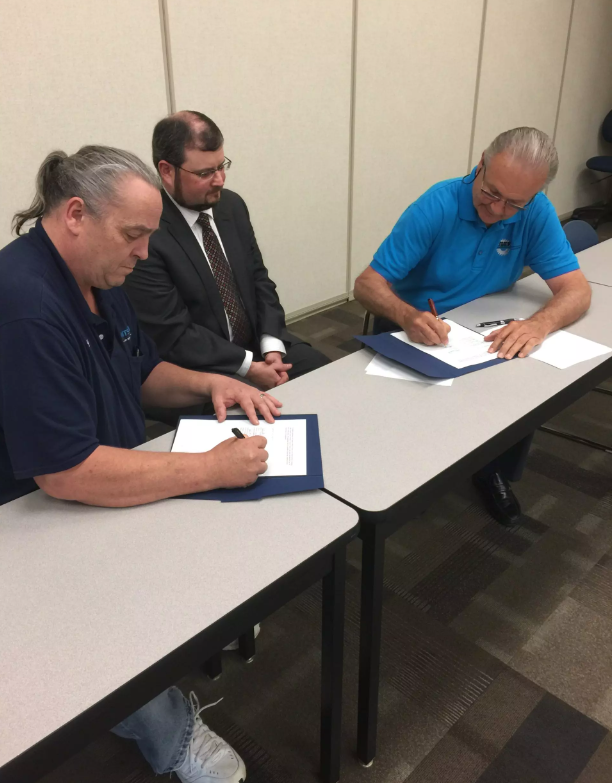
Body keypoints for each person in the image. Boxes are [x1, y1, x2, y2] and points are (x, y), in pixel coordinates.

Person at [1, 146, 280, 781]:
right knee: (99, 625)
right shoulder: (24, 304)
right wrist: (210, 468)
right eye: (134, 235)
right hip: (32, 513)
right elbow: (64, 472)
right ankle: (169, 735)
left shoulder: (97, 275)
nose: (145, 253)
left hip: (105, 468)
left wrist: (210, 384)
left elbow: (140, 369)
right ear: (75, 214)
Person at [354, 127, 592, 528]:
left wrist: (540, 324)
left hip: (484, 325)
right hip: (420, 328)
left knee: (524, 380)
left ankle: (491, 471)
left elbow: (576, 290)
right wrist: (407, 315)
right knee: (399, 438)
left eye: (513, 203)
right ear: (480, 165)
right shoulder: (438, 205)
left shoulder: (534, 210)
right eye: (492, 193)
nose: (498, 210)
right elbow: (367, 285)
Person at [123, 110, 329, 424]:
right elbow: (174, 335)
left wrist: (271, 345)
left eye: (222, 166)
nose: (219, 179)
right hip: (195, 369)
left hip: (256, 347)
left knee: (327, 376)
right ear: (166, 171)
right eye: (205, 172)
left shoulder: (231, 205)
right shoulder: (148, 230)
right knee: (261, 421)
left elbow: (259, 279)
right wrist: (249, 366)